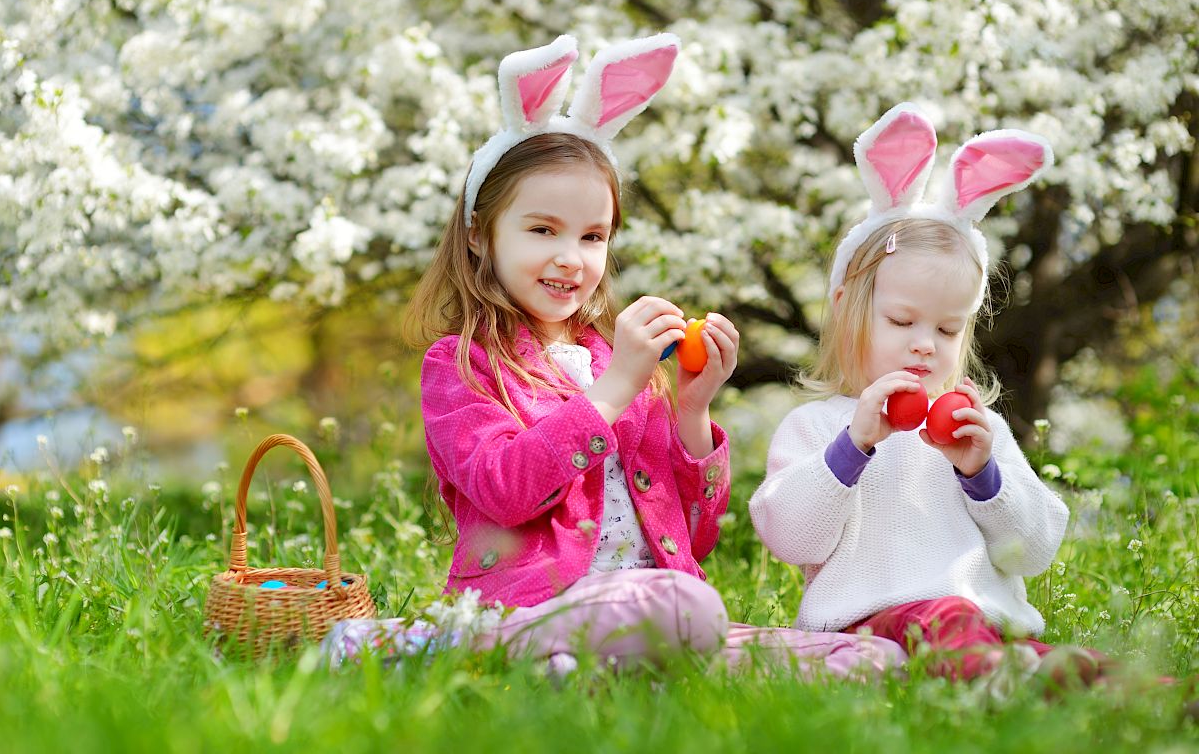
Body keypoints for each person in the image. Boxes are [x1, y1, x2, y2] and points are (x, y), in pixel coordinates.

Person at [323, 34, 904, 678]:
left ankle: (593, 668)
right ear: (479, 236)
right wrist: (616, 389)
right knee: (677, 606)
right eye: (542, 230)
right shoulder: (462, 365)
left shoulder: (615, 360)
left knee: (871, 658)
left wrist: (692, 406)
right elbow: (505, 490)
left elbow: (696, 535)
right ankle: (446, 644)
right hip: (538, 604)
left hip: (662, 610)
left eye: (592, 235)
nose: (571, 257)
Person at [749, 103, 1099, 685]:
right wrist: (852, 448)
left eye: (945, 329)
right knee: (955, 627)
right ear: (849, 311)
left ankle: (1149, 699)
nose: (924, 346)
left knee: (1068, 664)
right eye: (902, 321)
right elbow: (790, 536)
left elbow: (1034, 549)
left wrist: (985, 477)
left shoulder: (977, 432)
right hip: (872, 627)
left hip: (985, 627)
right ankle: (1010, 684)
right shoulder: (818, 427)